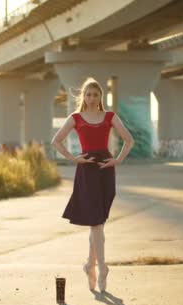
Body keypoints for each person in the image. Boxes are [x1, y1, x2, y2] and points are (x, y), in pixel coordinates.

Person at [51, 77, 135, 293]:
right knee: (96, 223)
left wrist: (117, 160)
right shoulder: (76, 117)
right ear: (84, 97)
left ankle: (90, 264)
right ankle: (102, 267)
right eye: (88, 94)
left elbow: (129, 139)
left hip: (105, 169)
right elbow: (56, 141)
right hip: (87, 170)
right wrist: (73, 158)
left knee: (97, 222)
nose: (91, 98)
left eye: (95, 94)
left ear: (100, 97)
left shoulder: (110, 116)